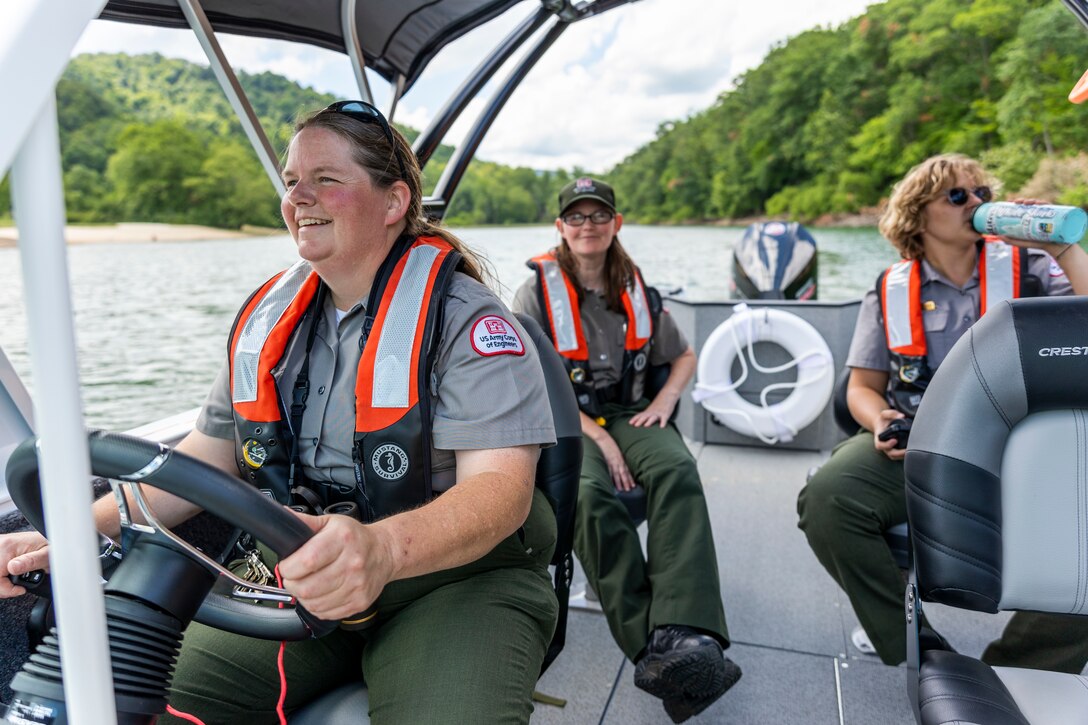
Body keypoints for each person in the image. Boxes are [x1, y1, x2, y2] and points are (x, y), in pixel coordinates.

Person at [0, 101, 561, 724]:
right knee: (136, 701)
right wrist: (75, 535)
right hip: (295, 570)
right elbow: (199, 464)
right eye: (292, 180)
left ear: (395, 201)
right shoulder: (265, 323)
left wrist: (381, 550)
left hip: (460, 578)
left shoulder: (469, 322)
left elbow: (501, 492)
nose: (300, 197)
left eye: (327, 179)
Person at [798, 152, 1088, 670]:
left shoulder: (1034, 268)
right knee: (828, 498)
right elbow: (863, 387)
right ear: (917, 214)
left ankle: (1019, 671)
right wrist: (879, 419)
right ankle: (922, 651)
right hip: (924, 444)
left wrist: (1062, 246)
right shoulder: (889, 289)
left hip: (1021, 448)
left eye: (983, 194)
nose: (976, 203)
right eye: (958, 196)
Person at [512, 178, 740, 723]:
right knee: (589, 496)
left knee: (678, 469)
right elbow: (535, 381)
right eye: (576, 217)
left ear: (616, 224)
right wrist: (604, 439)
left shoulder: (637, 288)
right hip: (571, 423)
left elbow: (682, 355)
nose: (587, 226)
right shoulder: (534, 294)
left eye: (598, 216)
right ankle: (652, 650)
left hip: (632, 411)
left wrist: (663, 401)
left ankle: (685, 629)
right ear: (560, 228)